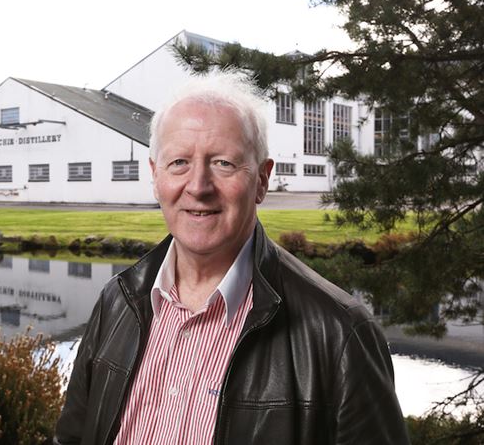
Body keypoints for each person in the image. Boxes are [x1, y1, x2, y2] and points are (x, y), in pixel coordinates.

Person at [55, 71, 410, 444]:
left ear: (261, 180)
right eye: (179, 163)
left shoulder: (339, 334)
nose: (198, 186)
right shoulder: (117, 301)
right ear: (155, 176)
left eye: (223, 163)